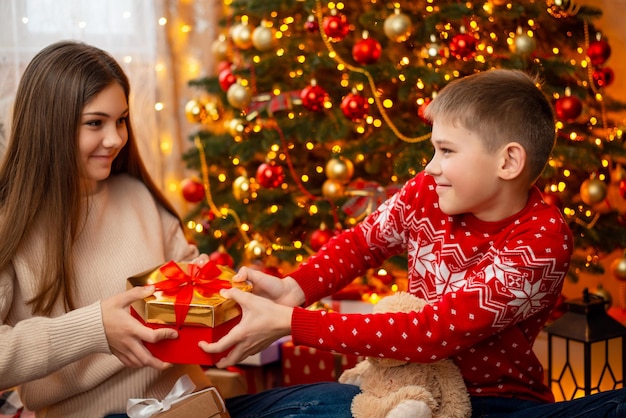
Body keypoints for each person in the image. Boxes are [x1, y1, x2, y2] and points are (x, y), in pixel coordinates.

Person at [201, 69, 626, 417]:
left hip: (495, 401)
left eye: (446, 151)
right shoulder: (428, 191)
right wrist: (295, 289)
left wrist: (290, 322)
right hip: (405, 384)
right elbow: (362, 243)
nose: (431, 166)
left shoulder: (541, 239)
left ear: (508, 161)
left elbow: (434, 331)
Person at [0, 40, 218, 417]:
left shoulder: (136, 194)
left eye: (121, 120)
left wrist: (225, 298)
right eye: (95, 123)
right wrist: (95, 327)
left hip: (192, 403)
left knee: (331, 400)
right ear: (49, 125)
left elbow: (189, 281)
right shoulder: (10, 224)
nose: (115, 139)